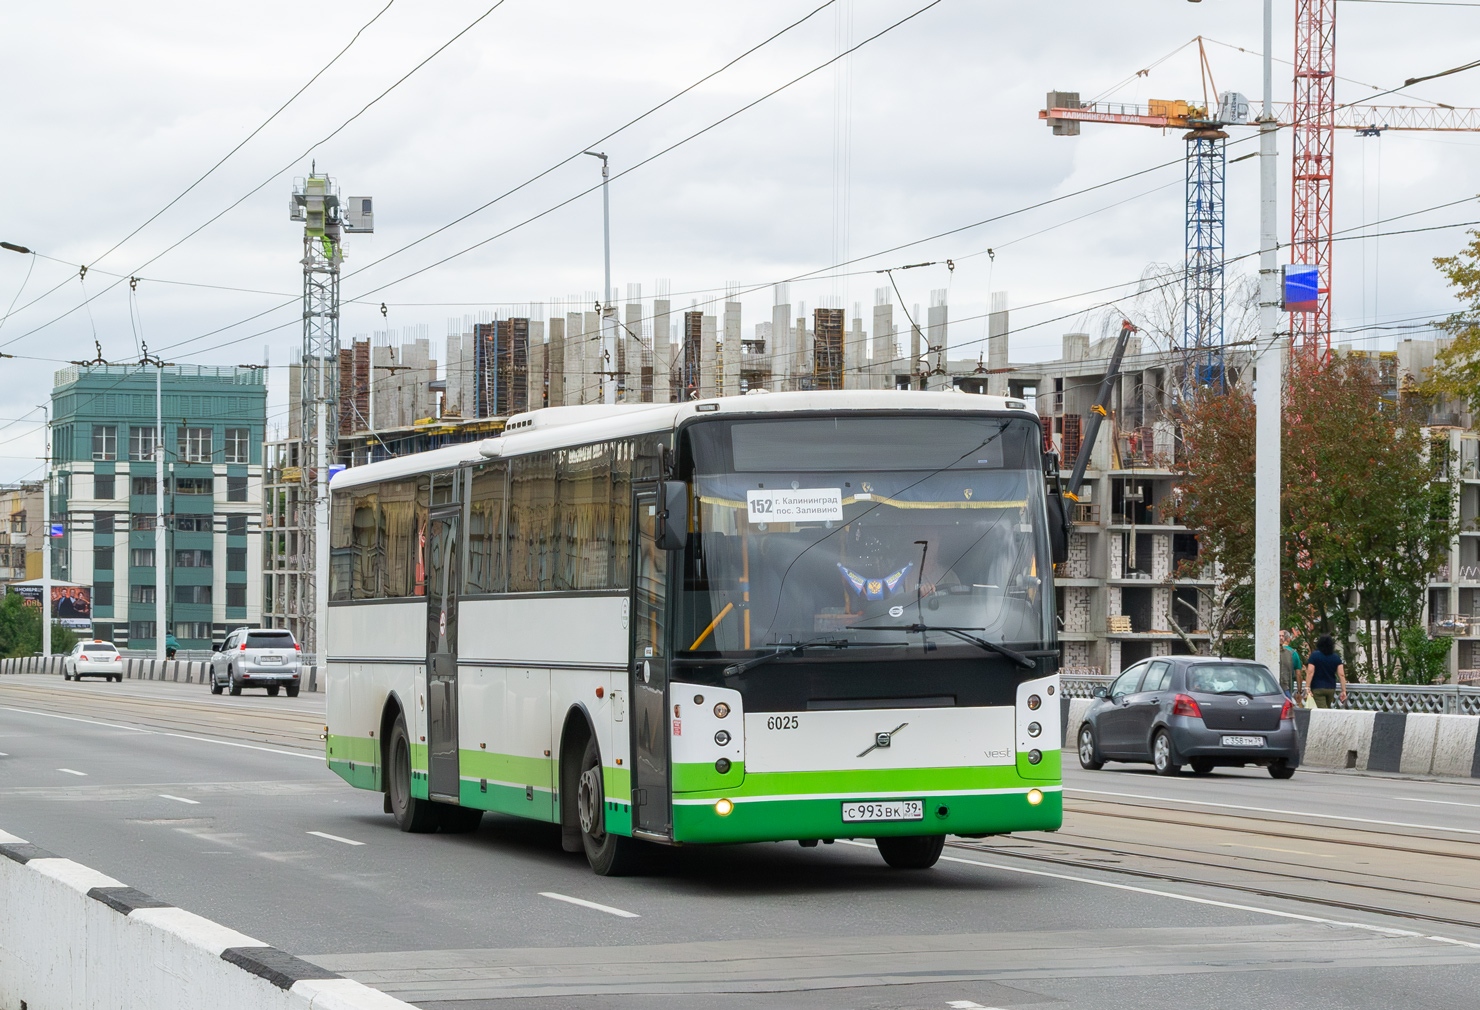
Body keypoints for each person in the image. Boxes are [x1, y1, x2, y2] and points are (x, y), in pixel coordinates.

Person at [1304, 634, 1347, 708]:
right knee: (1327, 708)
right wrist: (1343, 690)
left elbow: (1310, 672)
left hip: (1317, 687)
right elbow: (1341, 675)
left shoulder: (1314, 655)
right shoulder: (1336, 657)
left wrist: (1307, 687)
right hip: (1331, 688)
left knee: (1321, 711)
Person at [1278, 629, 1302, 698]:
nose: (1281, 638)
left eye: (1282, 636)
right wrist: (1299, 691)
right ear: (1288, 639)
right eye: (1280, 636)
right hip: (1286, 687)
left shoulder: (1288, 653)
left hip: (1277, 688)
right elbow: (1298, 674)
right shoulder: (1293, 653)